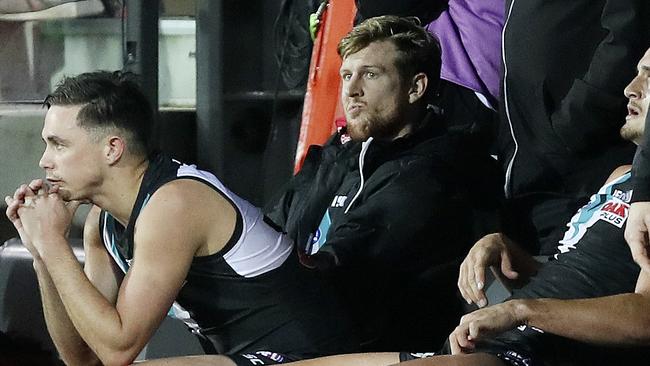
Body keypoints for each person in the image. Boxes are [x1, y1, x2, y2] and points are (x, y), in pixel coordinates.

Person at [276, 46, 650, 366]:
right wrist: (511, 253)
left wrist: (521, 310)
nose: (630, 90)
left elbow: (644, 318)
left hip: (523, 353)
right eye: (635, 74)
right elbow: (588, 279)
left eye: (648, 78)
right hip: (482, 343)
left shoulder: (427, 168)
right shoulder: (619, 175)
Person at [3, 71, 358, 366]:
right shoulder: (104, 222)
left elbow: (119, 349)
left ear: (112, 148)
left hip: (313, 354)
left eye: (59, 145)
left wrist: (52, 245)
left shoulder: (174, 204)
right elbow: (84, 357)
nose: (44, 161)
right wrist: (43, 255)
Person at [264, 15, 501, 351]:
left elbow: (340, 268)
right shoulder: (338, 155)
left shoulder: (433, 174)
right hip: (307, 337)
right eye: (347, 75)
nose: (351, 90)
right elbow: (267, 231)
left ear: (415, 87)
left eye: (370, 75)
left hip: (381, 350)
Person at [496, 0, 648, 256]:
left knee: (567, 275)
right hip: (530, 158)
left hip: (580, 161)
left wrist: (573, 124)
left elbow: (629, 32)